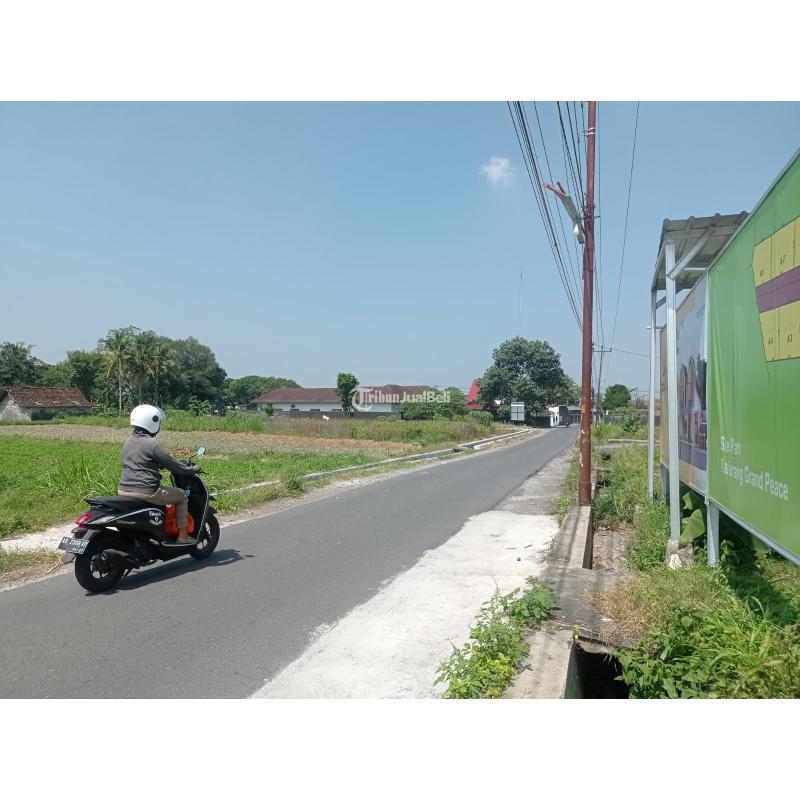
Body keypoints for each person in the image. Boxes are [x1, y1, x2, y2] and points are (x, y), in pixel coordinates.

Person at [118, 404, 201, 545]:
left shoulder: (128, 442)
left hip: (123, 490)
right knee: (182, 495)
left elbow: (139, 461)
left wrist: (156, 465)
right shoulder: (153, 444)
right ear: (153, 421)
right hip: (147, 491)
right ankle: (183, 537)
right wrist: (193, 469)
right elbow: (174, 465)